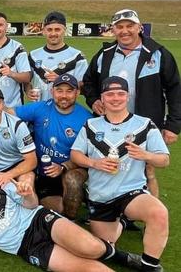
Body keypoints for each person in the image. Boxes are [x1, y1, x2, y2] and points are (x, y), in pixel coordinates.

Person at [0, 152, 141, 271]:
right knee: (89, 268)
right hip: (24, 245)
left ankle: (121, 257)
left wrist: (28, 193)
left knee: (92, 248)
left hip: (39, 219)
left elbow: (31, 205)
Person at [72, 76, 169, 272]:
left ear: (127, 96)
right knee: (103, 247)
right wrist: (94, 162)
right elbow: (75, 154)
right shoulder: (91, 126)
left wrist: (147, 155)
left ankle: (150, 265)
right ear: (102, 98)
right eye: (110, 94)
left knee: (159, 213)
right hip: (101, 195)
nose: (115, 98)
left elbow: (164, 160)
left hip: (131, 191)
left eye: (120, 94)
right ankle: (124, 221)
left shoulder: (144, 125)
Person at [82, 8, 181, 198]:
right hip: (110, 125)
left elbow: (175, 89)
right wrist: (94, 100)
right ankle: (110, 208)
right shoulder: (105, 54)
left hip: (144, 125)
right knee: (111, 167)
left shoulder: (158, 53)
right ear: (113, 29)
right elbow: (88, 82)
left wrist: (173, 124)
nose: (124, 31)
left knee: (147, 171)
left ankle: (149, 216)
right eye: (119, 27)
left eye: (130, 26)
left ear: (139, 27)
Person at [8, 74, 91, 219]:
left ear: (77, 93)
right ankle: (64, 206)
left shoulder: (87, 119)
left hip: (71, 168)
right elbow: (10, 112)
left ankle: (71, 218)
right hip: (45, 172)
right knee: (55, 210)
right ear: (52, 92)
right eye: (59, 90)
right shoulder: (41, 108)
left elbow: (89, 155)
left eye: (69, 91)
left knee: (72, 181)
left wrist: (63, 167)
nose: (64, 96)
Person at [26, 11, 87, 102]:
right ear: (43, 31)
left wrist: (62, 80)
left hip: (64, 108)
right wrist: (28, 90)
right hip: (38, 109)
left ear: (65, 30)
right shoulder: (33, 55)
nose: (53, 33)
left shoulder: (77, 56)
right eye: (49, 29)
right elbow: (26, 80)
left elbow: (84, 86)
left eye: (57, 29)